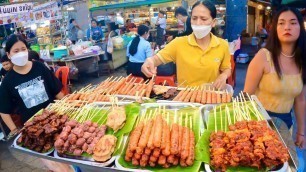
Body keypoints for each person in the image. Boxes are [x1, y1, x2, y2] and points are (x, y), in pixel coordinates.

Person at [244, 7, 306, 150]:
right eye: (281, 23)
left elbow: (301, 100)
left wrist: (301, 132)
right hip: (258, 124)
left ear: (300, 28)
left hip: (285, 126)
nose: (287, 27)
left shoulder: (302, 61)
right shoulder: (264, 56)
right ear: (275, 28)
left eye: (293, 23)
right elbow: (246, 97)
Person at [141, 0, 231, 88]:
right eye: (194, 18)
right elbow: (157, 59)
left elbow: (227, 68)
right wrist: (150, 61)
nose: (198, 23)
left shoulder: (222, 45)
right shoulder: (178, 43)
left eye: (203, 19)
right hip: (185, 98)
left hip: (211, 96)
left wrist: (223, 76)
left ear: (213, 22)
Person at [0, 34, 64, 133]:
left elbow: (57, 91)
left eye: (23, 49)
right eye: (16, 51)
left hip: (54, 120)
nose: (21, 53)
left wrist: (70, 106)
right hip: (32, 128)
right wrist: (14, 130)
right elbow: (4, 110)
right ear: (9, 55)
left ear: (27, 50)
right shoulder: (8, 80)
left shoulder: (39, 67)